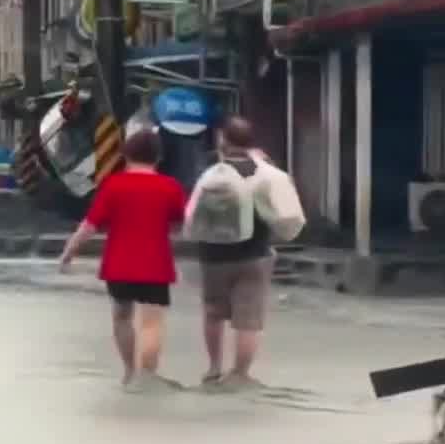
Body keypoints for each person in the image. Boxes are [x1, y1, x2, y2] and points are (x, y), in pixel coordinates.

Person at [59, 128, 187, 387]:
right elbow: (181, 225)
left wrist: (68, 253)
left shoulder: (113, 184)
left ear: (126, 154)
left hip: (118, 265)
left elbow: (89, 226)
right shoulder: (170, 187)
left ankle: (129, 372)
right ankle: (147, 377)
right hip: (156, 265)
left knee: (122, 317)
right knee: (152, 323)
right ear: (158, 157)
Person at [185, 116, 305, 386]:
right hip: (254, 254)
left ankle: (214, 368)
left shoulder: (210, 173)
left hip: (212, 256)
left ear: (222, 140)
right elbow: (285, 218)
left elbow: (191, 217)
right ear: (252, 142)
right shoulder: (263, 173)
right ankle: (239, 374)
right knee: (248, 319)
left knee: (213, 313)